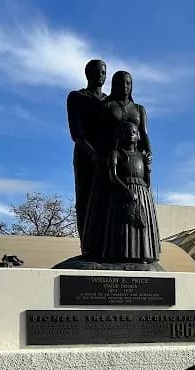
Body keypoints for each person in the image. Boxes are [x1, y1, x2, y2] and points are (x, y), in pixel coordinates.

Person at [81, 70, 160, 265]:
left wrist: (148, 153)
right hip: (112, 158)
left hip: (135, 162)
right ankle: (102, 249)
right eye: (120, 83)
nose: (124, 86)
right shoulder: (106, 106)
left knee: (138, 206)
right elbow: (98, 134)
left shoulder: (139, 109)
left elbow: (144, 134)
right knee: (105, 206)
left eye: (128, 83)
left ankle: (139, 250)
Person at [104, 121, 160, 262]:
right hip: (122, 193)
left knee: (141, 225)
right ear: (121, 135)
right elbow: (113, 176)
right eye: (128, 132)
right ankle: (121, 255)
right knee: (123, 226)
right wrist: (127, 191)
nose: (131, 134)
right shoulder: (116, 154)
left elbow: (147, 183)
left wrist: (147, 168)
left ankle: (142, 255)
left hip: (142, 193)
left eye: (134, 132)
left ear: (138, 136)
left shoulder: (141, 156)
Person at [66, 59, 107, 247]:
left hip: (108, 158)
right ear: (87, 74)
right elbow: (77, 133)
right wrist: (92, 153)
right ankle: (87, 246)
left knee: (107, 202)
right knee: (85, 201)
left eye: (104, 72)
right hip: (85, 156)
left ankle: (107, 247)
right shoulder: (76, 97)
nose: (101, 75)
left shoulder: (110, 101)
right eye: (97, 71)